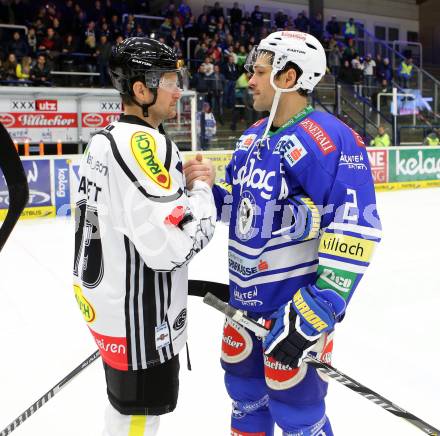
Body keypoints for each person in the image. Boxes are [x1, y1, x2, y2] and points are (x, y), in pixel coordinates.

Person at [184, 30, 381, 436]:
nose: (249, 80)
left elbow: (356, 226)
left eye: (258, 72)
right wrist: (206, 188)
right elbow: (244, 210)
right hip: (244, 306)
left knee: (297, 413)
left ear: (287, 78)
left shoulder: (331, 139)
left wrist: (317, 308)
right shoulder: (252, 136)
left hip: (293, 313)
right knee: (244, 400)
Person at [73, 37, 217, 436]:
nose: (178, 91)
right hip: (140, 319)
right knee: (138, 416)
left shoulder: (106, 139)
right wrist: (202, 191)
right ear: (141, 90)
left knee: (126, 414)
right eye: (170, 81)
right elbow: (173, 246)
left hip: (112, 307)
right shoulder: (142, 143)